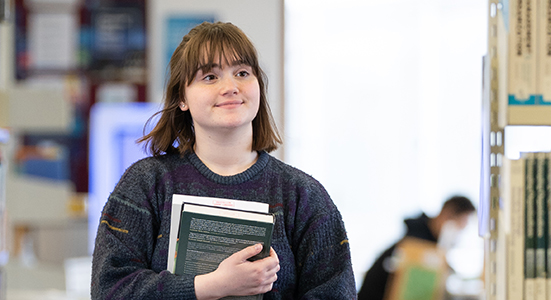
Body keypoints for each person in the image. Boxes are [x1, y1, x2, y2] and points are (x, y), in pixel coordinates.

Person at [89, 21, 357, 299]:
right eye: (210, 77)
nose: (230, 87)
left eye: (242, 73)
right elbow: (110, 290)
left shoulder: (303, 195)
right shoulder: (146, 184)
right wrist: (211, 286)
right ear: (182, 97)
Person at [357, 195, 476, 300]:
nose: (459, 233)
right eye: (460, 225)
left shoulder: (430, 244)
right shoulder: (415, 244)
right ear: (447, 216)